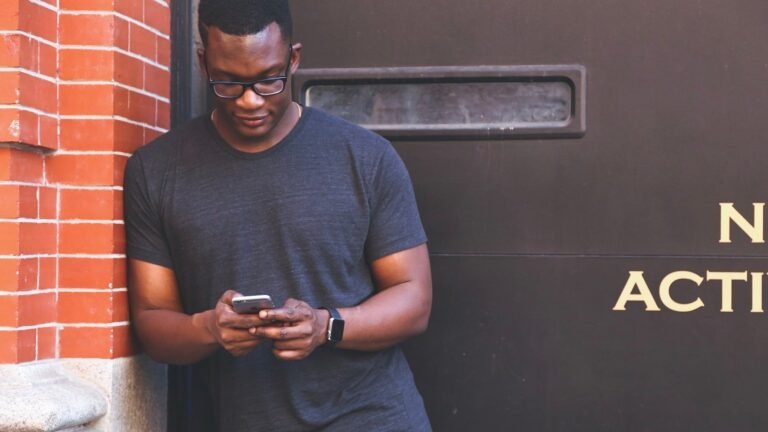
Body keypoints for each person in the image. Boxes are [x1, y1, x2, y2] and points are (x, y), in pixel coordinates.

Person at [123, 0, 433, 430]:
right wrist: (209, 328)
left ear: (294, 59)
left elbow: (413, 299)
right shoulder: (155, 171)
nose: (250, 100)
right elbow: (153, 322)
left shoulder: (365, 158)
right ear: (202, 63)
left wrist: (326, 326)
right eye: (228, 82)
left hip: (371, 416)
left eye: (268, 80)